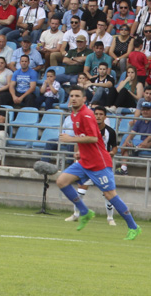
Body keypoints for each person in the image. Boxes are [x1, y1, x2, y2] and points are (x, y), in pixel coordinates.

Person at [56, 87, 141, 240]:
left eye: (77, 96)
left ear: (84, 99)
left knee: (110, 195)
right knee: (61, 181)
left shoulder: (87, 115)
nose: (73, 98)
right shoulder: (74, 115)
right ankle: (84, 212)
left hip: (99, 163)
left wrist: (71, 139)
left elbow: (94, 138)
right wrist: (80, 151)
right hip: (85, 161)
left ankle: (134, 227)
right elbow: (83, 139)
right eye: (71, 96)